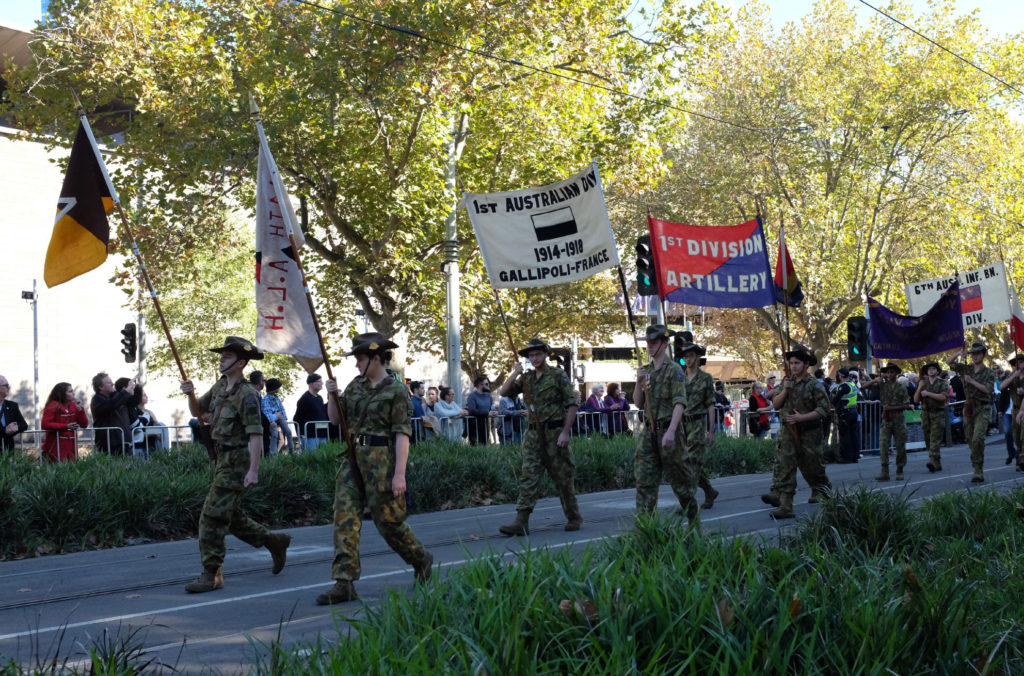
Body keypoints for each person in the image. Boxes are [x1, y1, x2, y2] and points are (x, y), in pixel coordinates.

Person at [316, 333, 434, 605]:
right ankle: (344, 582)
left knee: (388, 523)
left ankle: (421, 558)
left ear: (376, 357)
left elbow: (402, 434)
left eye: (360, 358)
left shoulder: (396, 391)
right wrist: (332, 395)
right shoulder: (355, 386)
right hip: (354, 458)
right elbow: (335, 420)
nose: (356, 364)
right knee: (344, 516)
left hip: (382, 461)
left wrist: (400, 474)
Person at [179, 336, 291, 593]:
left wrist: (253, 470)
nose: (222, 359)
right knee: (231, 516)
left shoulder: (248, 395)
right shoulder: (220, 386)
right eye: (222, 355)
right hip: (221, 458)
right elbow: (198, 409)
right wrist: (190, 393)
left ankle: (211, 573)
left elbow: (255, 434)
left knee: (211, 516)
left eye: (227, 356)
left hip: (237, 461)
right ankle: (274, 541)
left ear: (241, 362)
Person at [495, 337, 581, 535]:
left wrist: (566, 432)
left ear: (545, 355)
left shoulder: (558, 375)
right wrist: (515, 372)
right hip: (533, 434)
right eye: (531, 355)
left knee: (563, 478)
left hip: (554, 433)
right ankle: (521, 521)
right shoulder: (527, 378)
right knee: (529, 476)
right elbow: (504, 391)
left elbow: (572, 403)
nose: (534, 358)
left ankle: (574, 516)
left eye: (537, 354)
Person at [762, 346, 832, 519]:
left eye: (797, 363)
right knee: (786, 465)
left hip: (809, 432)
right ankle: (785, 504)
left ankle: (822, 488)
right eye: (791, 363)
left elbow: (824, 409)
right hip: (788, 432)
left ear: (806, 364)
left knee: (812, 467)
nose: (793, 366)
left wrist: (803, 418)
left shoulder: (814, 385)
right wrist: (786, 389)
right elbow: (776, 404)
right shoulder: (787, 382)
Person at [632, 325, 691, 520]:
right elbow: (638, 403)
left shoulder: (674, 370)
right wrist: (638, 381)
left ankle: (693, 519)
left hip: (668, 431)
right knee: (644, 482)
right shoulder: (646, 371)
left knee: (679, 482)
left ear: (664, 344)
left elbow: (680, 402)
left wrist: (672, 431)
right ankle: (644, 530)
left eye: (654, 343)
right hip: (649, 433)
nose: (650, 347)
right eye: (648, 343)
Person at [677, 332, 719, 513]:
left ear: (697, 357)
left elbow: (710, 405)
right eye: (685, 356)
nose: (688, 359)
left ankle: (688, 503)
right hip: (682, 425)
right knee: (687, 463)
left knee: (692, 462)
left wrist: (711, 431)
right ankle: (709, 491)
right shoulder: (680, 378)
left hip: (698, 424)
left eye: (691, 356)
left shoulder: (706, 378)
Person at [947, 343, 995, 483]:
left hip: (983, 407)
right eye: (972, 354)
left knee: (978, 438)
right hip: (968, 408)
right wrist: (958, 353)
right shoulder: (966, 369)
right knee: (970, 439)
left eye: (978, 353)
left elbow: (988, 390)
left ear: (983, 355)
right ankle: (977, 460)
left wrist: (972, 381)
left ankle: (978, 469)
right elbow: (948, 362)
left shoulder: (988, 372)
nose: (974, 356)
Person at [864, 363, 911, 481]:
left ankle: (900, 469)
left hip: (898, 420)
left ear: (896, 373)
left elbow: (907, 405)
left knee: (900, 446)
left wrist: (891, 408)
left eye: (892, 372)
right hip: (886, 420)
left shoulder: (901, 387)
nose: (889, 374)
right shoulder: (882, 386)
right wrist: (875, 380)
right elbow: (862, 387)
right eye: (887, 372)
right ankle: (884, 470)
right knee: (883, 444)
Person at [90, 372, 141, 455]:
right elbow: (112, 404)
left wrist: (137, 387)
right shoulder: (97, 400)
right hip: (108, 443)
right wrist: (127, 390)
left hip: (123, 441)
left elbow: (132, 402)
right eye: (109, 383)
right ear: (100, 387)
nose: (112, 384)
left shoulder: (115, 395)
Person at [914, 362, 949, 472]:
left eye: (934, 369)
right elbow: (915, 400)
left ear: (937, 371)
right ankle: (937, 462)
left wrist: (928, 394)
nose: (931, 371)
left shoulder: (942, 383)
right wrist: (919, 388)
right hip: (926, 413)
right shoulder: (923, 383)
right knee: (928, 439)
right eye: (929, 369)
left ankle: (932, 461)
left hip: (938, 413)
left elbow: (943, 397)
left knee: (935, 438)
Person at [41, 382, 88, 462]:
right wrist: (66, 426)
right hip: (55, 446)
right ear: (62, 394)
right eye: (70, 391)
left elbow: (84, 424)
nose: (73, 393)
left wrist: (80, 410)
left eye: (72, 391)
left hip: (71, 447)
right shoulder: (53, 405)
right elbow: (45, 424)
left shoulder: (73, 405)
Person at [832, 367, 861, 463]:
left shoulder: (843, 386)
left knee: (845, 436)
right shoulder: (853, 384)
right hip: (853, 412)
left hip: (845, 413)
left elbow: (835, 400)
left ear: (840, 376)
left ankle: (847, 457)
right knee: (854, 435)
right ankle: (855, 456)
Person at [1001, 354, 1024, 472]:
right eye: (1015, 363)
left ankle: (1022, 459)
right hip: (1014, 410)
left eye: (1020, 362)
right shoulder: (1013, 377)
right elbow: (1002, 386)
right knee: (1016, 436)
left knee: (1023, 435)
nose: (1018, 365)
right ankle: (1020, 458)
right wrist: (1013, 376)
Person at [294, 373, 329, 451]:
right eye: (319, 381)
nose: (322, 383)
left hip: (322, 435)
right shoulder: (304, 399)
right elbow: (297, 418)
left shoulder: (320, 398)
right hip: (310, 436)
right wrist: (301, 435)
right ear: (311, 384)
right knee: (312, 459)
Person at [130, 389, 164, 458]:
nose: (147, 397)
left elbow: (157, 428)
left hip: (151, 447)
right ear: (138, 397)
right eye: (144, 395)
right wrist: (152, 433)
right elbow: (135, 433)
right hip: (139, 447)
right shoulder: (133, 412)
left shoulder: (150, 412)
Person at [262, 378, 293, 454]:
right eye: (277, 388)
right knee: (275, 434)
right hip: (272, 419)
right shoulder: (266, 399)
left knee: (288, 432)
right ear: (273, 388)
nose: (278, 389)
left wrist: (284, 418)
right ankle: (273, 453)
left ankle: (292, 450)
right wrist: (271, 420)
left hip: (280, 417)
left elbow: (282, 408)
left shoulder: (276, 398)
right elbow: (267, 411)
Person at [0, 375, 28, 453]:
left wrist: (15, 428)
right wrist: (5, 431)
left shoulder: (12, 405)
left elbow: (24, 425)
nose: (9, 387)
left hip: (8, 449)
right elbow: (5, 430)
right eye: (6, 385)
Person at [466, 376, 497, 445]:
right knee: (475, 445)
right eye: (486, 384)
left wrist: (494, 412)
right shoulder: (472, 396)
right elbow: (472, 410)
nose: (488, 385)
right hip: (474, 425)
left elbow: (492, 407)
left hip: (485, 424)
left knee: (484, 444)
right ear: (480, 385)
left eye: (488, 384)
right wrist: (487, 414)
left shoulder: (489, 396)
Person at [248, 371, 273, 456]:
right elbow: (253, 415)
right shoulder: (250, 395)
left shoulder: (257, 394)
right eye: (264, 380)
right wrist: (273, 417)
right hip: (256, 432)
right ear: (259, 382)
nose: (265, 382)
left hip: (262, 431)